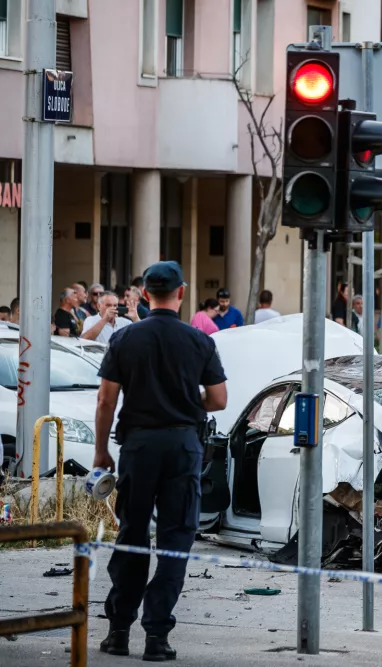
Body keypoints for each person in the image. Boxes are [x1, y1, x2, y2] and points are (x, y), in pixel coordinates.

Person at [94, 260, 228, 662]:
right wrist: (188, 404)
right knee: (175, 540)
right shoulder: (199, 341)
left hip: (138, 447)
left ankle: (119, 631)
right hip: (183, 446)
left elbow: (106, 400)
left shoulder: (126, 339)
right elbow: (219, 399)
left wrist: (102, 451)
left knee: (132, 534)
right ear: (181, 293)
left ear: (146, 294)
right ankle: (157, 637)